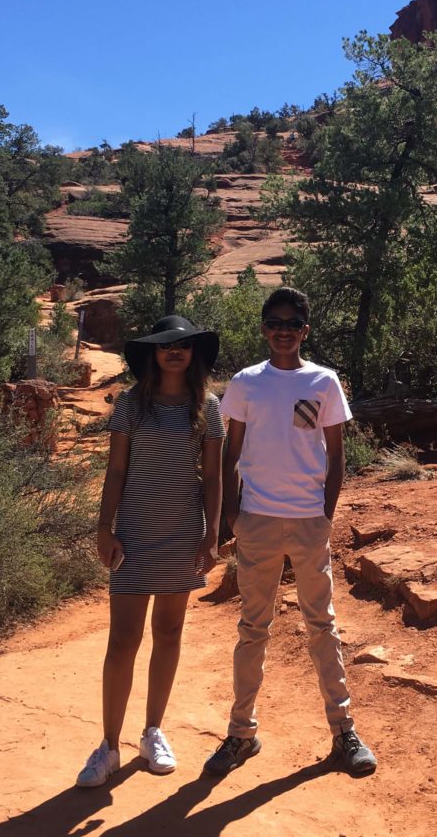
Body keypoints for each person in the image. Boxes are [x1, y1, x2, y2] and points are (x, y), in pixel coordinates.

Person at [204, 287, 377, 777]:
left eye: (292, 323)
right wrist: (232, 517)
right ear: (264, 327)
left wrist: (325, 511)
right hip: (257, 519)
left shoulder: (323, 381)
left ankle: (343, 732)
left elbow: (336, 452)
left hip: (307, 521)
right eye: (274, 321)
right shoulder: (246, 383)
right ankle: (241, 734)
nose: (283, 330)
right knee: (253, 628)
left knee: (321, 624)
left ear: (304, 330)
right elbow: (229, 453)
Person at [76, 315, 224, 787]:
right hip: (135, 532)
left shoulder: (208, 407)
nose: (175, 351)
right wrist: (104, 527)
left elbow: (214, 477)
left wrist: (211, 534)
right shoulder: (130, 405)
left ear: (193, 353)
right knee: (122, 641)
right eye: (166, 346)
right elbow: (116, 472)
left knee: (169, 630)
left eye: (183, 345)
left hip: (183, 531)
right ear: (152, 354)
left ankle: (153, 731)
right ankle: (108, 746)